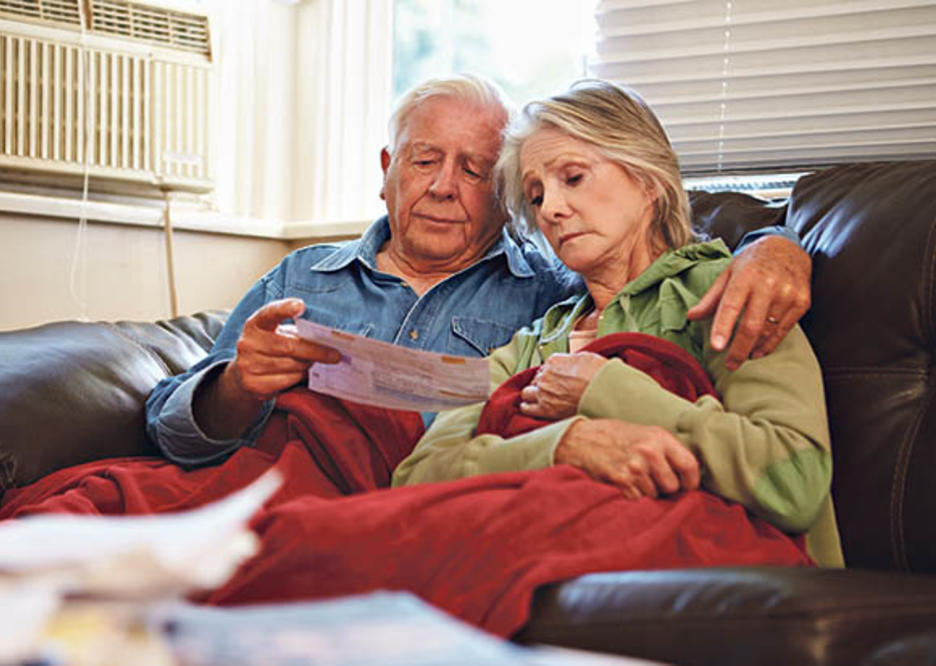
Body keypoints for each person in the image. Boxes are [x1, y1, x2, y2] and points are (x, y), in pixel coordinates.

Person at [146, 74, 813, 469]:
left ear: (501, 198)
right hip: (260, 490)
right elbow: (167, 431)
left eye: (473, 171)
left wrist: (778, 240)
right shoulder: (299, 279)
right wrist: (236, 386)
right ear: (386, 170)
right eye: (424, 160)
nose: (442, 187)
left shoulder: (548, 293)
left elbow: (658, 265)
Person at [391, 80, 842, 568]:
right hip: (560, 569)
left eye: (575, 177)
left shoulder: (724, 292)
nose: (553, 210)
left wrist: (607, 390)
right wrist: (562, 446)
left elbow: (796, 482)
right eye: (536, 195)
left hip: (725, 585)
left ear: (648, 179)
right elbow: (419, 477)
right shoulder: (534, 342)